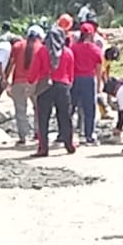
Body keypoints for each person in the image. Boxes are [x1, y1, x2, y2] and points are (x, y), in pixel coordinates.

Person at [29, 27, 77, 157]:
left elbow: (34, 71)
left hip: (45, 86)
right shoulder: (67, 52)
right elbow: (71, 73)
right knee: (65, 116)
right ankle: (69, 144)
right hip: (63, 86)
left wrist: (31, 81)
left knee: (43, 118)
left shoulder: (42, 51)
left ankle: (43, 147)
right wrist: (68, 84)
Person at [7, 25, 44, 148]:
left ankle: (23, 137)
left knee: (20, 110)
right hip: (35, 83)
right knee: (39, 109)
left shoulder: (17, 46)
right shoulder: (41, 47)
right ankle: (38, 133)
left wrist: (5, 80)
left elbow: (11, 64)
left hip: (18, 82)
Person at [70, 22, 105, 145]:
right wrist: (99, 85)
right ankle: (89, 135)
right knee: (89, 109)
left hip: (75, 79)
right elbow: (99, 68)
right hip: (89, 79)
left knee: (71, 107)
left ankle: (66, 133)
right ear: (91, 35)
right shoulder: (96, 50)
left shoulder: (73, 48)